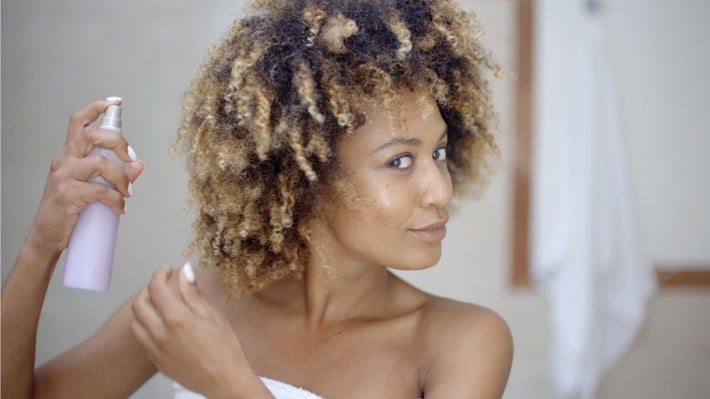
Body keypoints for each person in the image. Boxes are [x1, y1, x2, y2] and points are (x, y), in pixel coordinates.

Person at [2, 0, 513, 397]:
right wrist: (41, 244)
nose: (440, 190)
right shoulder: (191, 309)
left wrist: (232, 385)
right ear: (304, 173)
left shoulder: (460, 343)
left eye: (440, 152)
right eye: (400, 161)